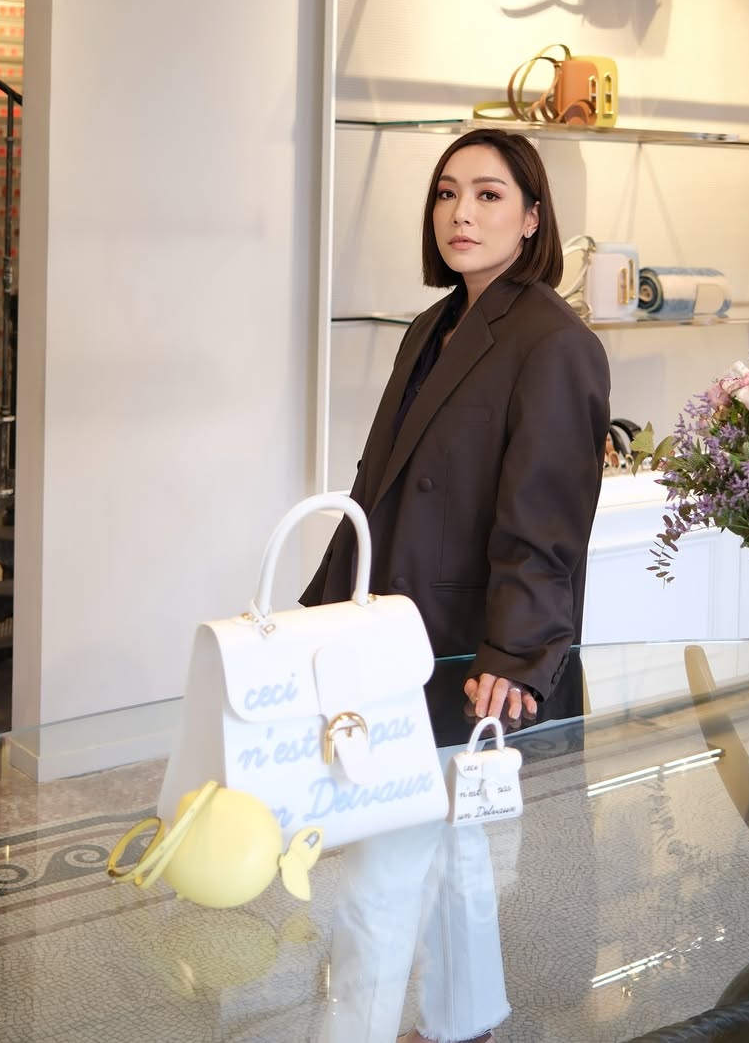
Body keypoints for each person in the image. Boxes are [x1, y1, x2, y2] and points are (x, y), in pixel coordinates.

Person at [303, 127, 611, 1043]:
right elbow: (376, 489)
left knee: (403, 864)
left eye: (487, 194)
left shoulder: (555, 342)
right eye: (446, 193)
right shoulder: (431, 327)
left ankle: (385, 1028)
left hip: (464, 646)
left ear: (533, 218)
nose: (460, 213)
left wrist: (513, 653)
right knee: (435, 852)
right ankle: (456, 1021)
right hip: (396, 626)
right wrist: (320, 616)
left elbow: (544, 519)